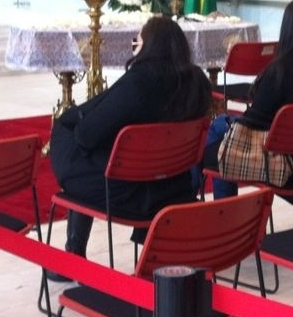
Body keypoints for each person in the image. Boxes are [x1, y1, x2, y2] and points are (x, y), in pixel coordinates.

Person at [49, 17, 212, 275]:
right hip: (173, 185)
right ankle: (74, 253)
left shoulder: (139, 81)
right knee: (101, 148)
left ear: (148, 46)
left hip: (130, 193)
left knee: (70, 139)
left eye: (138, 40)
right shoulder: (198, 82)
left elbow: (87, 134)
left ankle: (74, 255)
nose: (135, 44)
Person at [203, 0, 293, 208]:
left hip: (282, 160)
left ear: (288, 31)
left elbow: (252, 122)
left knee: (219, 136)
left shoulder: (280, 72)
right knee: (222, 123)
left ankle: (219, 207)